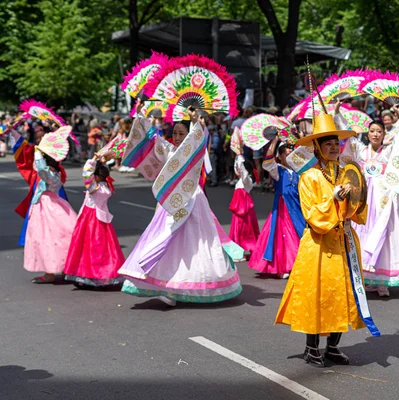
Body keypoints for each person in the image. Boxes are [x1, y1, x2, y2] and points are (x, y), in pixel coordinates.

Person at [275, 112, 379, 367]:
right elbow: (311, 214)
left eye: (336, 144)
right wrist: (332, 197)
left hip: (343, 240)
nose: (333, 148)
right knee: (317, 294)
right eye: (328, 144)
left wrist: (356, 193)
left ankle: (332, 347)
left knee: (344, 293)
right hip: (319, 244)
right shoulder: (309, 177)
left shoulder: (346, 172)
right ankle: (311, 348)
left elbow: (357, 208)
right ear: (317, 149)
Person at [118, 107, 242, 305]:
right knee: (166, 239)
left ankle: (191, 283)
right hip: (170, 202)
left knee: (196, 241)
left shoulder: (194, 148)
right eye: (174, 133)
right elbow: (152, 139)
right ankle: (164, 286)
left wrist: (195, 122)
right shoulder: (169, 150)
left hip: (192, 200)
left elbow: (199, 136)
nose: (176, 137)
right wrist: (141, 116)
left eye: (181, 133)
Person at [340, 111, 399, 295]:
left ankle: (382, 281)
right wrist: (337, 114)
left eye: (379, 131)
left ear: (384, 134)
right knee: (363, 235)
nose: (375, 134)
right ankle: (365, 277)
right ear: (367, 134)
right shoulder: (360, 149)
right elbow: (347, 136)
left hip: (384, 197)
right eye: (372, 131)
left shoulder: (389, 151)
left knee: (386, 235)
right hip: (364, 197)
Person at [24, 130, 77, 283]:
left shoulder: (50, 174)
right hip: (53, 204)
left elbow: (40, 169)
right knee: (57, 238)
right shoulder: (56, 173)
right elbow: (38, 168)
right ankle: (63, 267)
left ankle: (51, 272)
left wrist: (38, 153)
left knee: (47, 238)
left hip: (47, 206)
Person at [63, 153, 125, 287]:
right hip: (102, 219)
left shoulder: (94, 188)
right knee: (104, 248)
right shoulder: (107, 188)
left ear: (96, 176)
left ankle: (86, 274)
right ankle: (103, 274)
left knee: (86, 247)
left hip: (90, 217)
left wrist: (94, 159)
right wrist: (101, 162)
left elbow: (86, 172)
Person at [248, 138, 304, 278]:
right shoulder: (277, 170)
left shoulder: (299, 171)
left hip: (298, 207)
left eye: (292, 154)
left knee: (300, 234)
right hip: (283, 209)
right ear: (280, 156)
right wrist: (275, 140)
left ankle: (301, 265)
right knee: (284, 236)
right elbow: (267, 161)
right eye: (286, 154)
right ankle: (284, 266)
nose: (290, 157)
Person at [7, 122, 69, 246]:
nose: (39, 139)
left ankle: (60, 236)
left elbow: (61, 141)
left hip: (53, 184)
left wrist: (56, 128)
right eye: (37, 138)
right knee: (37, 211)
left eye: (42, 136)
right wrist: (12, 130)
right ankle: (36, 238)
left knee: (58, 212)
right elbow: (21, 144)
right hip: (40, 183)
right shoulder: (33, 149)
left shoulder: (54, 150)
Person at [228, 141, 260, 257]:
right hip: (239, 211)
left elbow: (242, 171)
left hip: (245, 212)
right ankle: (237, 251)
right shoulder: (240, 182)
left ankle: (250, 250)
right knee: (237, 230)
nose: (237, 169)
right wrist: (237, 156)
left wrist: (240, 157)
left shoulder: (247, 181)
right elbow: (239, 168)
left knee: (247, 231)